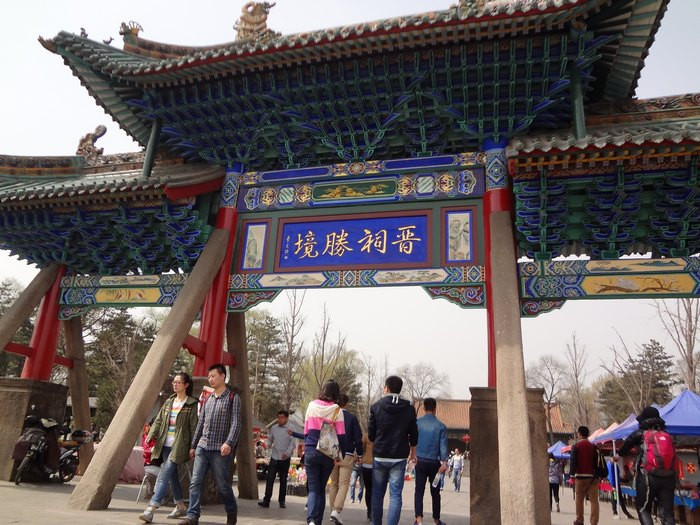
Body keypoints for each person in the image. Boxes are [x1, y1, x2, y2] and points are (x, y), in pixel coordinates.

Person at [178, 364, 241, 525]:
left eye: (213, 376)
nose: (210, 379)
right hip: (203, 447)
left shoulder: (233, 398)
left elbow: (236, 423)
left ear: (222, 376)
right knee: (195, 482)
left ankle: (231, 512)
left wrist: (229, 443)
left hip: (220, 449)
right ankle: (192, 516)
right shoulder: (208, 399)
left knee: (223, 485)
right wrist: (194, 445)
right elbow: (201, 423)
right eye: (209, 376)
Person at [139, 372, 199, 523]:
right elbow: (159, 420)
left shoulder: (192, 404)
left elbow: (194, 427)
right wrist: (151, 435)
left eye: (178, 382)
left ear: (186, 385)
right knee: (172, 476)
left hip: (180, 445)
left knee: (165, 474)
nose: (175, 384)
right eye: (174, 382)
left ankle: (151, 508)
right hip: (164, 444)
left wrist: (193, 446)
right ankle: (180, 505)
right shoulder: (169, 402)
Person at [615, 406, 679, 525]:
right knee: (667, 513)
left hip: (647, 476)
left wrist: (617, 456)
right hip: (668, 476)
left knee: (643, 508)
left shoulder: (640, 434)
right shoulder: (668, 435)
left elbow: (625, 448)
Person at [368, 375, 418, 525]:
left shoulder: (376, 407)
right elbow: (414, 434)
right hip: (399, 457)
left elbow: (371, 436)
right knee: (395, 496)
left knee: (377, 495)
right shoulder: (409, 409)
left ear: (387, 388)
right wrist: (413, 453)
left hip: (380, 456)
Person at [303, 379, 346, 525]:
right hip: (327, 454)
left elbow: (306, 430)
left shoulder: (311, 406)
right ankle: (318, 521)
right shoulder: (337, 410)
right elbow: (341, 436)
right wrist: (339, 456)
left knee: (313, 489)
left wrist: (308, 447)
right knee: (321, 489)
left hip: (311, 450)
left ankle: (311, 520)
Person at [328, 394, 363, 525]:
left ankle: (332, 511)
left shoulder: (331, 416)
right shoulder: (351, 418)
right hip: (347, 454)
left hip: (332, 453)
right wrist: (360, 454)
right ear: (346, 403)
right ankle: (336, 511)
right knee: (343, 484)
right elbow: (358, 438)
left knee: (333, 484)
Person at [414, 397, 448, 525]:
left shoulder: (417, 423)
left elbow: (412, 441)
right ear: (435, 409)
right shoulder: (441, 426)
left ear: (423, 408)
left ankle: (419, 519)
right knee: (435, 492)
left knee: (419, 491)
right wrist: (444, 462)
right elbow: (443, 446)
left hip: (420, 461)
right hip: (434, 463)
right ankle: (436, 520)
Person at [258, 409, 296, 509]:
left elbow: (293, 443)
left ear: (287, 418)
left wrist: (287, 453)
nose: (279, 419)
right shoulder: (274, 428)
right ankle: (266, 500)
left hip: (285, 458)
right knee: (270, 478)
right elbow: (270, 439)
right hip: (274, 456)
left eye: (282, 417)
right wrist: (268, 445)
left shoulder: (291, 428)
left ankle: (282, 501)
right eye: (278, 417)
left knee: (283, 480)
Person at [570, 426, 600, 525]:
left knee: (579, 500)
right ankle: (594, 521)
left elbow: (573, 462)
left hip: (580, 477)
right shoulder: (593, 447)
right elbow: (597, 462)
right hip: (592, 478)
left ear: (579, 434)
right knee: (594, 501)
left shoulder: (576, 446)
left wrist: (571, 474)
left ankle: (579, 520)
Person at [362, 433, 374, 522]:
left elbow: (361, 448)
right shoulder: (380, 434)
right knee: (376, 490)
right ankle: (373, 510)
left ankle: (369, 510)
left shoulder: (366, 435)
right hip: (377, 465)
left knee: (368, 489)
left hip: (366, 464)